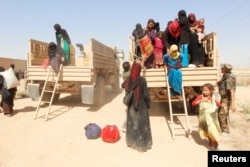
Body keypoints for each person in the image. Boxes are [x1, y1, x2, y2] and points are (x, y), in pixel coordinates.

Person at [123, 62, 152, 152]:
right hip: (141, 105)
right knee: (142, 124)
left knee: (132, 124)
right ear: (139, 70)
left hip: (131, 105)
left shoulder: (128, 79)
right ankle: (142, 145)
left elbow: (123, 86)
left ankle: (131, 142)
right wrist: (148, 104)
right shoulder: (142, 80)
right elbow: (146, 94)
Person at [192, 83, 222, 149]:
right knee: (205, 130)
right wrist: (201, 101)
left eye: (206, 90)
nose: (204, 91)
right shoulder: (200, 97)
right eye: (203, 90)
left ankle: (215, 141)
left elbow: (218, 103)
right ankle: (210, 139)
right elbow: (193, 103)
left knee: (212, 129)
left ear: (211, 91)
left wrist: (223, 107)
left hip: (211, 117)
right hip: (203, 117)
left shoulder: (212, 98)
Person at [216, 64, 236, 134]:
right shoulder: (225, 75)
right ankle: (221, 129)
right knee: (219, 113)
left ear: (224, 70)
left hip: (227, 99)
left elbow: (232, 91)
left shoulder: (229, 78)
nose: (220, 69)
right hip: (223, 98)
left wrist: (233, 104)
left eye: (222, 68)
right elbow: (219, 82)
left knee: (222, 114)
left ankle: (225, 131)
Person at [121, 61, 131, 132]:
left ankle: (126, 125)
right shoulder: (130, 73)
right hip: (130, 93)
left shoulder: (123, 74)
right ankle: (125, 125)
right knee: (129, 110)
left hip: (127, 93)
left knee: (128, 109)